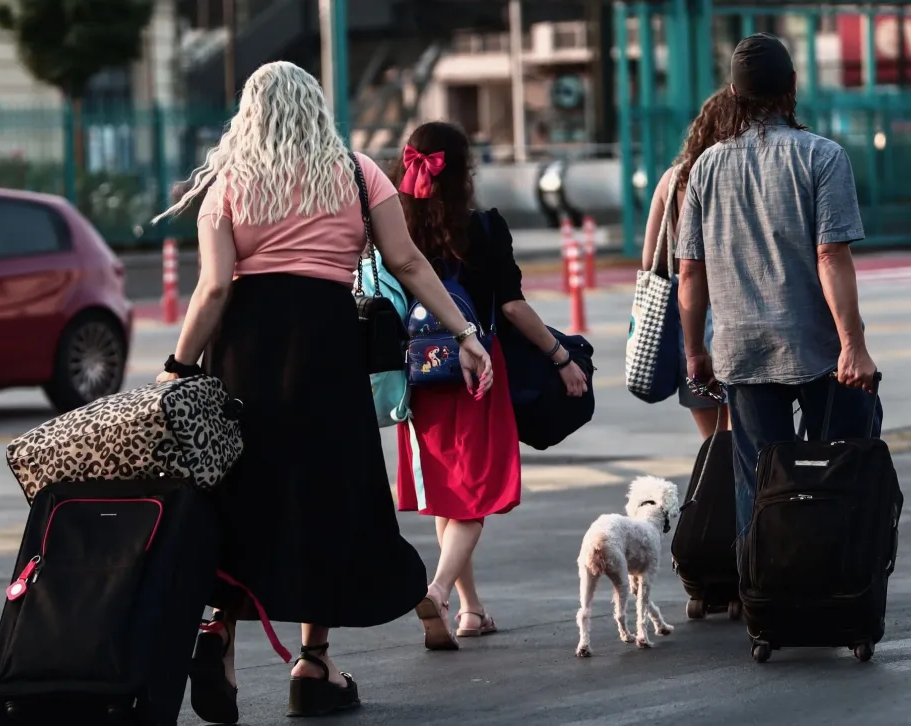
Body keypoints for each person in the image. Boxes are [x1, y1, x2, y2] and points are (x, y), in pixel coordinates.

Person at [151, 61, 494, 722]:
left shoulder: (228, 184)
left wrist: (177, 364)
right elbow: (408, 262)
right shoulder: (359, 174)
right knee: (321, 500)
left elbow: (214, 288)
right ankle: (313, 664)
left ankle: (217, 634)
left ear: (249, 112)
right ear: (316, 107)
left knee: (237, 493)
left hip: (244, 357)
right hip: (327, 355)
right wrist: (465, 333)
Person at [673, 34, 880, 563]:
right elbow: (832, 256)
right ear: (793, 86)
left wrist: (696, 350)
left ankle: (761, 590)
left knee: (758, 478)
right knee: (838, 464)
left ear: (734, 94)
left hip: (740, 347)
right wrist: (852, 345)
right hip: (818, 349)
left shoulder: (705, 167)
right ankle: (835, 575)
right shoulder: (823, 157)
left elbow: (690, 272)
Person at [391, 121, 588, 651]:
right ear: (464, 172)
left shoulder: (393, 228)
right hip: (475, 370)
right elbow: (512, 306)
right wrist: (560, 355)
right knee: (476, 494)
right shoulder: (482, 229)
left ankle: (473, 610)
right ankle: (438, 591)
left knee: (448, 499)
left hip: (417, 377)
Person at [640, 88, 736, 439]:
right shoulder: (737, 174)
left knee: (712, 444)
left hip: (688, 316)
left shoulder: (674, 178)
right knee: (745, 440)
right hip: (737, 309)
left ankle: (716, 493)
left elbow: (651, 258)